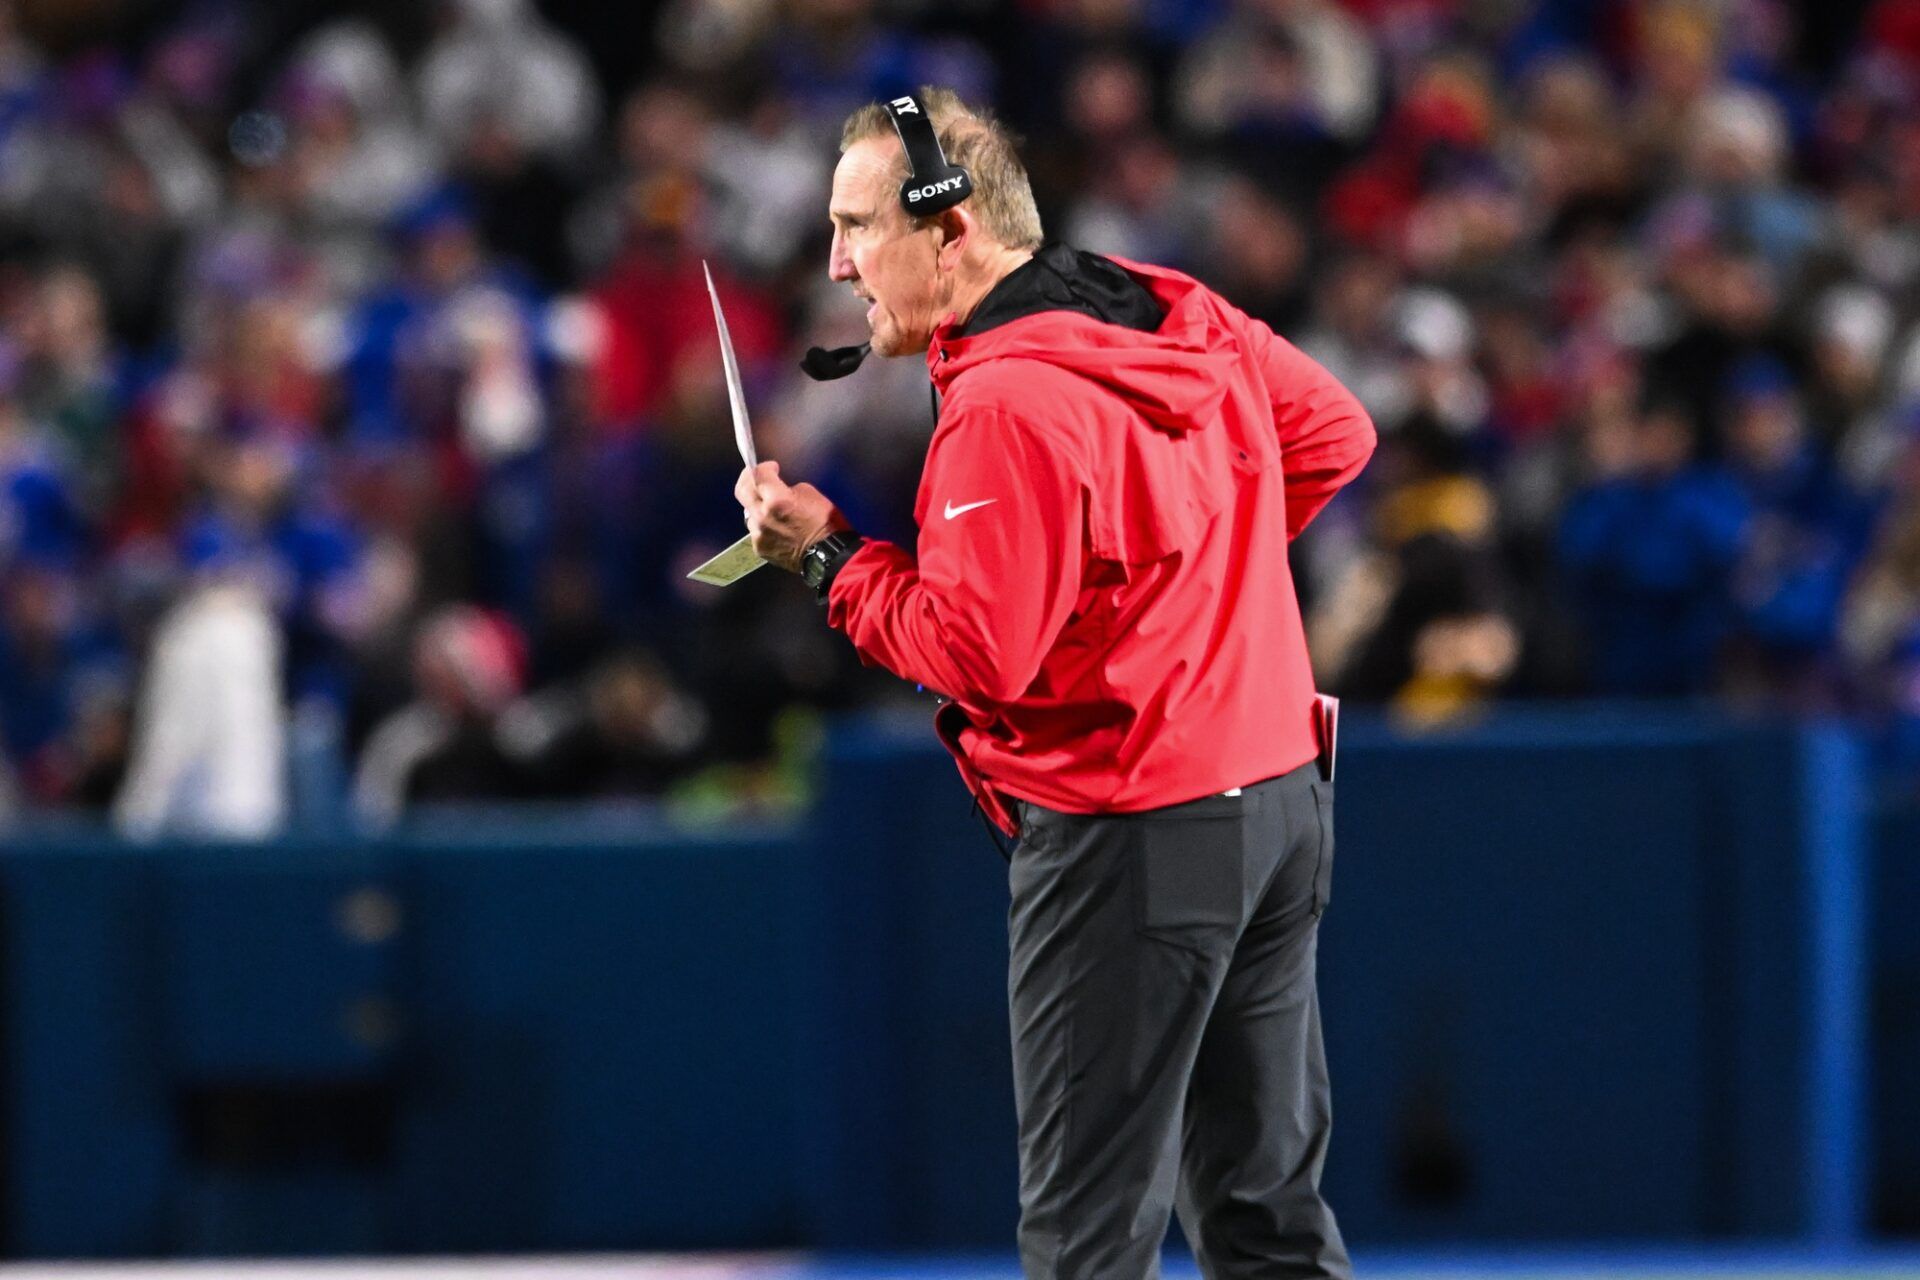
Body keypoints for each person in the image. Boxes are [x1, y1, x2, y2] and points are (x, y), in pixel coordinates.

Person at [736, 88, 1375, 1279]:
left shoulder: (1005, 402)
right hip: (1281, 798)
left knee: (1088, 1238)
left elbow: (980, 653)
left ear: (951, 227)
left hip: (1135, 829)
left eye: (858, 225)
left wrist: (827, 556)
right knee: (1266, 1212)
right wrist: (1188, 587)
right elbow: (1337, 435)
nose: (835, 262)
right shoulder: (1173, 306)